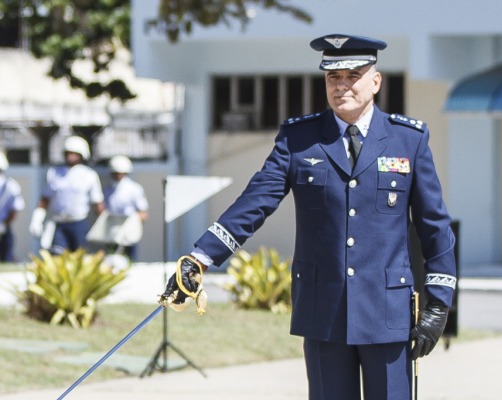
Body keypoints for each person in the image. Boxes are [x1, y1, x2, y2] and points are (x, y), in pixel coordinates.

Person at [161, 34, 457, 400]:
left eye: (354, 75)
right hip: (323, 310)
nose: (343, 85)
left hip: (386, 312)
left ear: (375, 81)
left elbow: (435, 226)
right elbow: (256, 200)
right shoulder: (298, 139)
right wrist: (200, 257)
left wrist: (439, 304)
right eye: (334, 77)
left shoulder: (407, 139)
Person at [29, 135, 105, 255]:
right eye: (67, 153)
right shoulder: (54, 173)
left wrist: (103, 223)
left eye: (74, 153)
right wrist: (37, 219)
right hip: (59, 223)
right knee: (57, 256)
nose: (70, 156)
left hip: (78, 223)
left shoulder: (89, 175)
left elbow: (98, 202)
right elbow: (45, 199)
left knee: (79, 257)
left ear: (82, 155)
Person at [102, 155, 149, 260]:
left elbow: (143, 214)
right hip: (112, 232)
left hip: (129, 233)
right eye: (115, 173)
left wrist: (131, 222)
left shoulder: (134, 189)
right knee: (111, 261)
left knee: (130, 261)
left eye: (120, 173)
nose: (118, 176)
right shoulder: (107, 189)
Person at [0, 151, 25, 261]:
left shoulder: (11, 186)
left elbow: (14, 210)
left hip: (4, 226)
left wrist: (4, 224)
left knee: (6, 257)